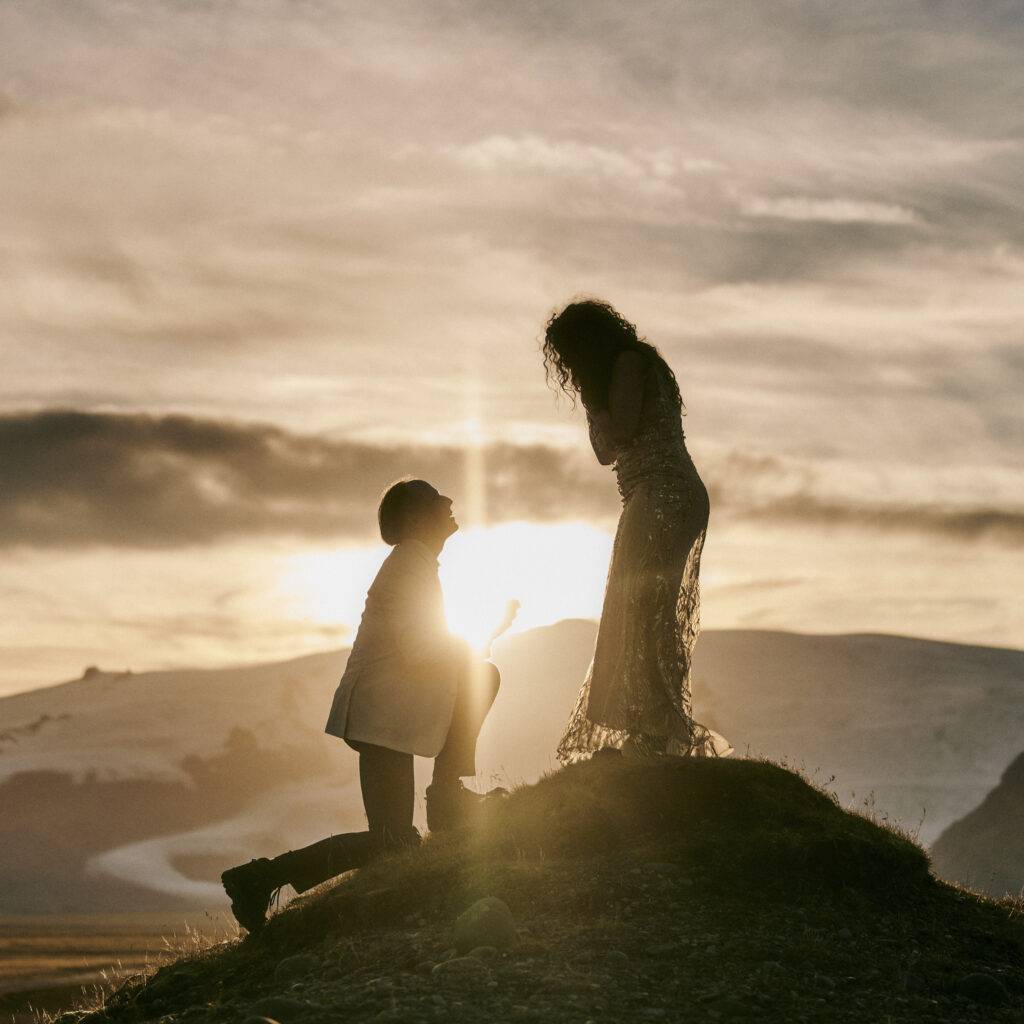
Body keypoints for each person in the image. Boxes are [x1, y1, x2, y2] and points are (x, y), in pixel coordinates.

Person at [221, 478, 513, 933]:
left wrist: (481, 639)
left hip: (385, 715)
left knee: (391, 843)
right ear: (417, 518)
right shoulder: (410, 566)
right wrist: (476, 643)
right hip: (382, 716)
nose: (450, 502)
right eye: (437, 500)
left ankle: (260, 877)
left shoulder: (413, 563)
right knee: (391, 842)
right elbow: (419, 649)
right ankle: (261, 877)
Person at [542, 299, 731, 764]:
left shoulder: (628, 364)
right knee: (643, 608)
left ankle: (655, 729)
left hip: (662, 493)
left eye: (570, 355)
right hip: (657, 494)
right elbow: (607, 454)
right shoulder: (631, 366)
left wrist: (592, 401)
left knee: (643, 608)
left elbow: (620, 432)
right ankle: (649, 726)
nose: (568, 367)